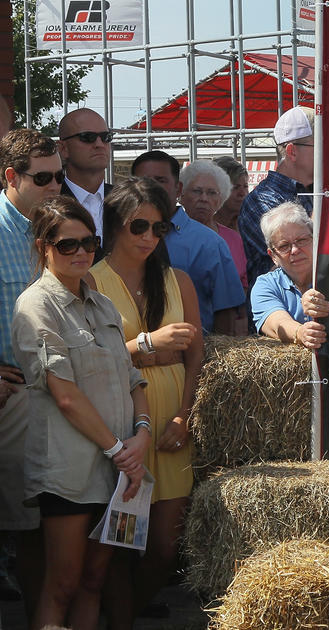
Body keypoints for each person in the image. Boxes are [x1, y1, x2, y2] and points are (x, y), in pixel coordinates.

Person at [11, 196, 150, 630]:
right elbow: (65, 395)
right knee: (64, 584)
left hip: (121, 471)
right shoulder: (35, 307)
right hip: (71, 473)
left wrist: (141, 435)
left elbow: (132, 378)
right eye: (67, 245)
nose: (81, 252)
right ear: (42, 247)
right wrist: (120, 451)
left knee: (95, 580)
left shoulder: (104, 304)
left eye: (88, 242)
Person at [87, 177, 203, 627]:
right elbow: (89, 356)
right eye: (139, 227)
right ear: (115, 225)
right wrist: (148, 344)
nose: (150, 238)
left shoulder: (178, 281)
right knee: (116, 541)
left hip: (172, 419)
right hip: (117, 422)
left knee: (164, 548)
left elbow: (196, 354)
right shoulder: (89, 280)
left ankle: (124, 615)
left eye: (160, 228)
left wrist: (184, 414)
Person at [0, 128, 63, 618]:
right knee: (24, 524)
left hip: (60, 394)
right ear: (11, 177)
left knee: (46, 521)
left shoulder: (59, 230)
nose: (55, 187)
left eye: (59, 177)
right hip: (13, 393)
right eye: (42, 178)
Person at [131, 151, 243, 335]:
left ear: (178, 188)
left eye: (160, 180)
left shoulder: (210, 243)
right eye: (143, 180)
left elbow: (226, 312)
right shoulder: (119, 236)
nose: (150, 188)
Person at [240, 106, 315, 290]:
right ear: (292, 152)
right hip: (281, 313)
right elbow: (294, 264)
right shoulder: (261, 202)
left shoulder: (313, 191)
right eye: (320, 145)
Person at [179, 159, 248, 335]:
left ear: (220, 199)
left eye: (211, 193)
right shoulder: (170, 235)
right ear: (182, 194)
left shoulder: (234, 238)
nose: (204, 198)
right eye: (197, 191)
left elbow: (243, 285)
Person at [249, 202, 329, 350]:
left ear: (315, 239)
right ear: (273, 255)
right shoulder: (265, 285)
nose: (294, 250)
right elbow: (275, 323)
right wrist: (300, 333)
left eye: (301, 240)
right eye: (284, 246)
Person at [57, 108, 114, 240]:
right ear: (63, 148)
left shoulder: (128, 202)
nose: (99, 144)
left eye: (106, 137)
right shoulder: (48, 203)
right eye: (88, 137)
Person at [212, 156, 251, 297]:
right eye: (235, 187)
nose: (242, 193)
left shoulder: (250, 226)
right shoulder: (208, 231)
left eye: (245, 186)